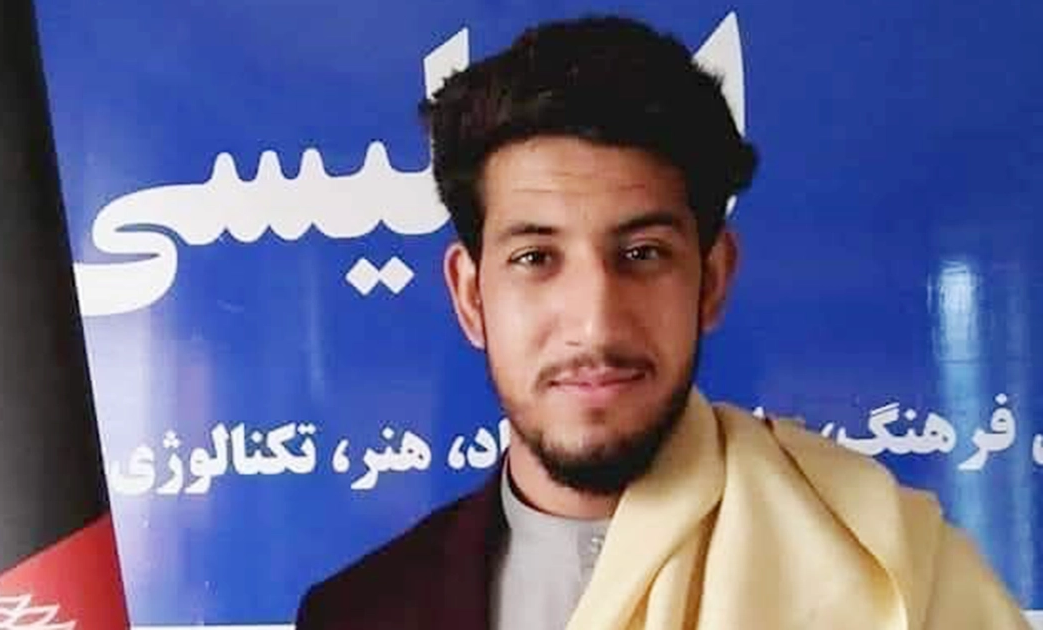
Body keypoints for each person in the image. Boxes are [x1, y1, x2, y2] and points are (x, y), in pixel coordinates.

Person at [295, 15, 1029, 630]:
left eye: (642, 254)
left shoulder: (896, 572)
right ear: (470, 296)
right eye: (535, 258)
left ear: (712, 280)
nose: (594, 322)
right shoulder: (360, 615)